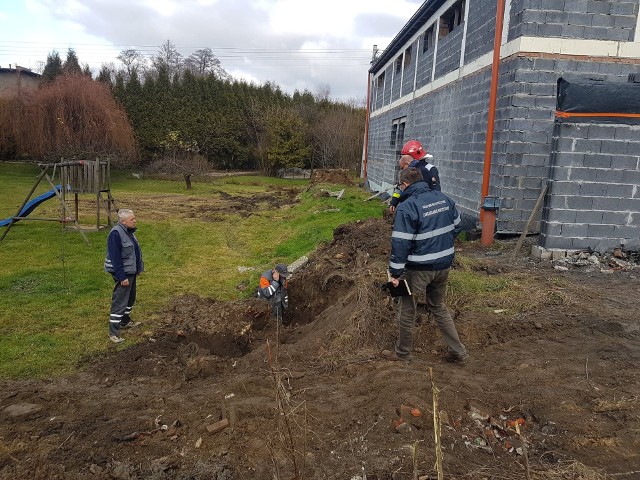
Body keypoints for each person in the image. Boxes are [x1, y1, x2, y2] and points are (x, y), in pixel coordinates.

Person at [382, 167, 468, 363]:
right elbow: (459, 225)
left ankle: (403, 353)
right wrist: (440, 245)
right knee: (438, 306)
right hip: (444, 264)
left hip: (418, 268)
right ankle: (459, 351)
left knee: (407, 308)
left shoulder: (407, 206)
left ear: (404, 185)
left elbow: (401, 243)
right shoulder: (443, 198)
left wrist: (395, 273)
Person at [104, 209, 144, 343]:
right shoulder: (116, 234)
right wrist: (122, 277)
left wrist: (138, 268)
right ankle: (113, 333)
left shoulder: (129, 232)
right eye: (132, 219)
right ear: (123, 221)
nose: (135, 221)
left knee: (131, 298)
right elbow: (116, 259)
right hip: (123, 273)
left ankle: (125, 321)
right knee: (120, 301)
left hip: (131, 272)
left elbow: (134, 252)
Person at [389, 139, 440, 213]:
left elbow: (436, 191)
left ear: (407, 162)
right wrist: (393, 202)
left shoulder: (430, 169)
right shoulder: (407, 172)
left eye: (402, 167)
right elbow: (399, 188)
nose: (402, 170)